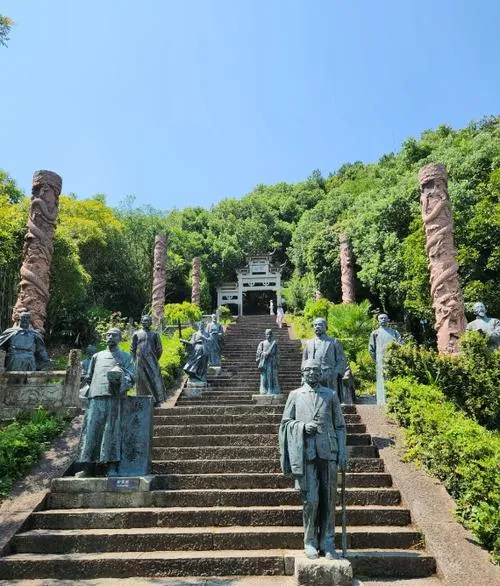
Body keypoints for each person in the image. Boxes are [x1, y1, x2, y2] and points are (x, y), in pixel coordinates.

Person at [279, 359, 347, 560]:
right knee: (311, 501)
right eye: (308, 370)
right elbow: (285, 423)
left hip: (329, 452)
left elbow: (340, 426)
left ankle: (327, 542)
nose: (312, 373)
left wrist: (342, 452)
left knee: (329, 500)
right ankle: (309, 541)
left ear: (321, 373)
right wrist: (301, 427)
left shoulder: (330, 395)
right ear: (302, 372)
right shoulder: (295, 395)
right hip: (306, 453)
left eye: (316, 370)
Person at [76, 328, 135, 477]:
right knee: (91, 431)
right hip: (96, 396)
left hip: (114, 397)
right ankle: (88, 467)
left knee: (112, 431)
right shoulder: (97, 356)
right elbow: (89, 377)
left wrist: (120, 380)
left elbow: (132, 376)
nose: (110, 337)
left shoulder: (125, 356)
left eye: (114, 335)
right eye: (108, 335)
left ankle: (112, 466)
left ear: (120, 338)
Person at [301, 317, 346, 392]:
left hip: (329, 375)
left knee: (330, 396)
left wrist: (335, 373)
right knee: (312, 397)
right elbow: (304, 361)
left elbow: (342, 360)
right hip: (312, 375)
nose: (317, 327)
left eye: (320, 325)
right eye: (315, 325)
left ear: (326, 327)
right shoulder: (308, 343)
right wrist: (303, 376)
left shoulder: (334, 342)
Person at [131, 315, 166, 406]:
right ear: (141, 322)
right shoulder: (136, 334)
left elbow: (159, 349)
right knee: (141, 380)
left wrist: (154, 358)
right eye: (144, 321)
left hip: (152, 361)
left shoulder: (155, 334)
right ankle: (141, 401)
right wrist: (135, 360)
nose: (145, 322)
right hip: (139, 361)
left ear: (150, 323)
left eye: (147, 321)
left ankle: (156, 400)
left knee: (154, 379)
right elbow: (132, 349)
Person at [369, 314, 402, 405]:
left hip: (394, 360)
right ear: (378, 321)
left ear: (388, 320)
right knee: (381, 380)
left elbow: (401, 345)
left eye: (385, 318)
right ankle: (381, 402)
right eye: (381, 318)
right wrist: (376, 359)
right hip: (380, 360)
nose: (383, 320)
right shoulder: (375, 333)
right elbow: (371, 349)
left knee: (394, 378)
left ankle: (394, 401)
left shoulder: (395, 332)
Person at [256, 328, 280, 395]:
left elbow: (277, 353)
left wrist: (276, 360)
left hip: (272, 362)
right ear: (265, 335)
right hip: (265, 362)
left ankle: (273, 389)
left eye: (270, 334)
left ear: (272, 335)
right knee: (264, 376)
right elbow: (258, 352)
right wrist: (264, 354)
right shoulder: (262, 343)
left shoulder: (274, 343)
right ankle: (264, 389)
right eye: (267, 334)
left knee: (273, 376)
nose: (268, 335)